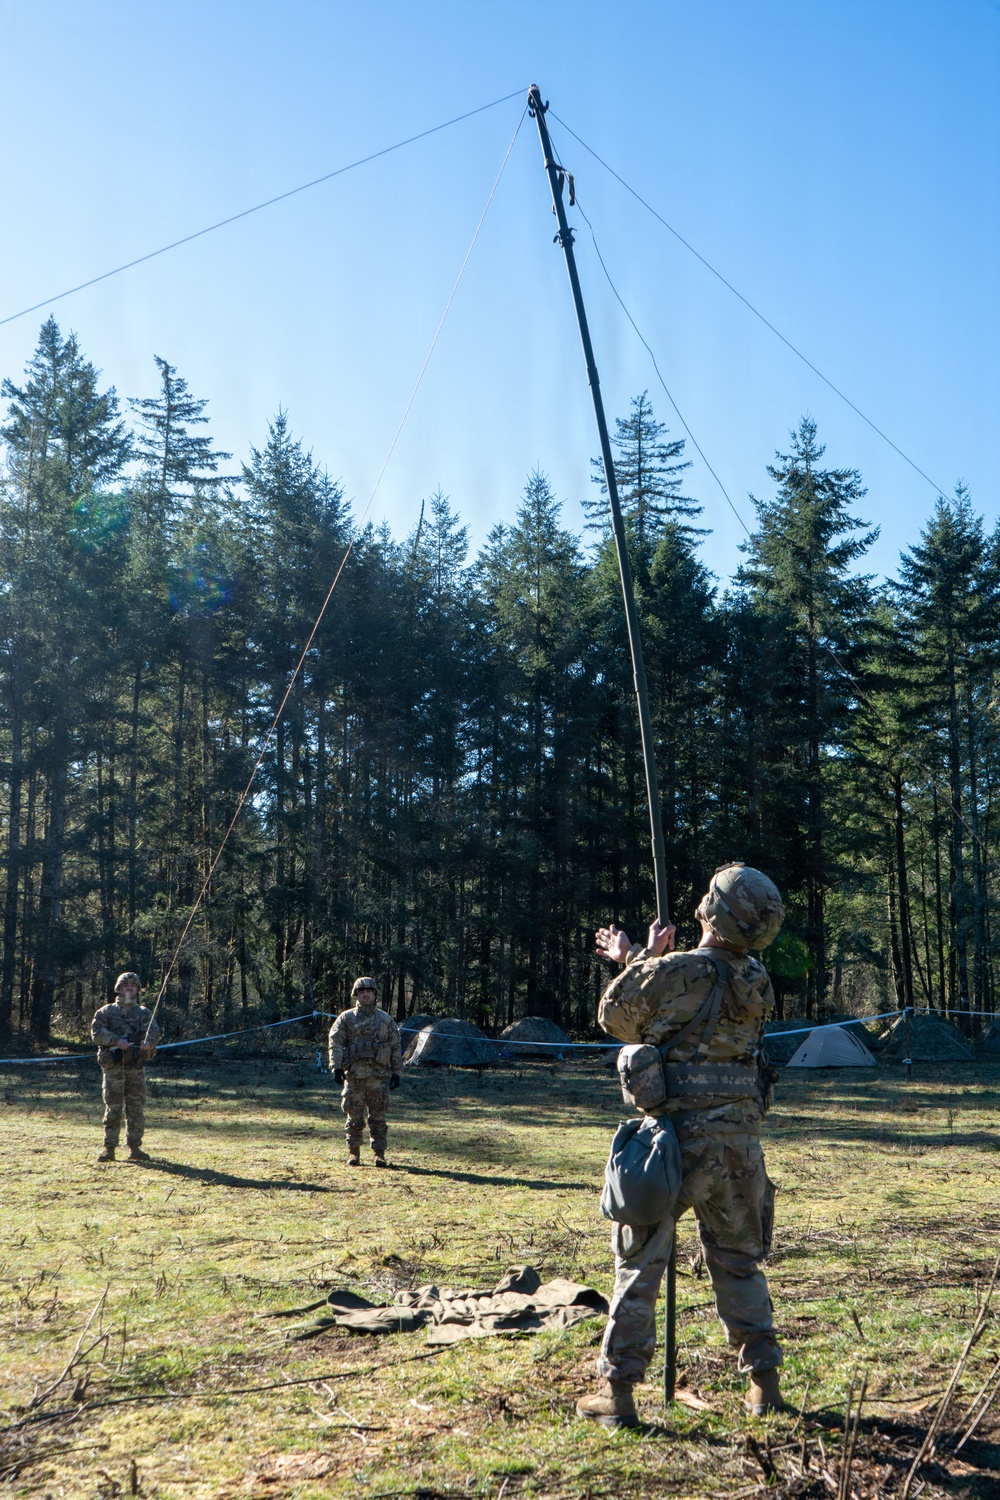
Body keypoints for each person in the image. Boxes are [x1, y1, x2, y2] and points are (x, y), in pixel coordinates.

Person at [576, 863, 785, 1428]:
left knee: (639, 1263)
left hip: (673, 1145)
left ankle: (618, 1394)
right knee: (739, 1262)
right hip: (740, 1146)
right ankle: (764, 1385)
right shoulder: (758, 980)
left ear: (710, 910)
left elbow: (617, 1018)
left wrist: (634, 959)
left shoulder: (675, 970)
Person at [328, 976, 402, 1168]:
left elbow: (395, 1046)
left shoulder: (385, 1020)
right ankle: (353, 1152)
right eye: (362, 992)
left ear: (374, 994)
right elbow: (335, 1042)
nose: (366, 994)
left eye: (369, 991)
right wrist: (336, 1067)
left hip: (378, 1078)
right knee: (354, 1117)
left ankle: (379, 1154)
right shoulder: (346, 1019)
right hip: (354, 1078)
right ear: (356, 996)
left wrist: (397, 1072)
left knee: (378, 1118)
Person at [91, 971, 160, 1163]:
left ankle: (135, 1148)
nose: (129, 988)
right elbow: (96, 1033)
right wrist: (116, 1041)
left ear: (138, 989)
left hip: (135, 1067)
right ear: (119, 989)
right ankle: (109, 1149)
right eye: (126, 985)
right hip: (113, 1068)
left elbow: (154, 1032)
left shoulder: (144, 1013)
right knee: (113, 1108)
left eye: (133, 985)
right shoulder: (106, 1012)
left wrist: (148, 1042)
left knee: (136, 1109)